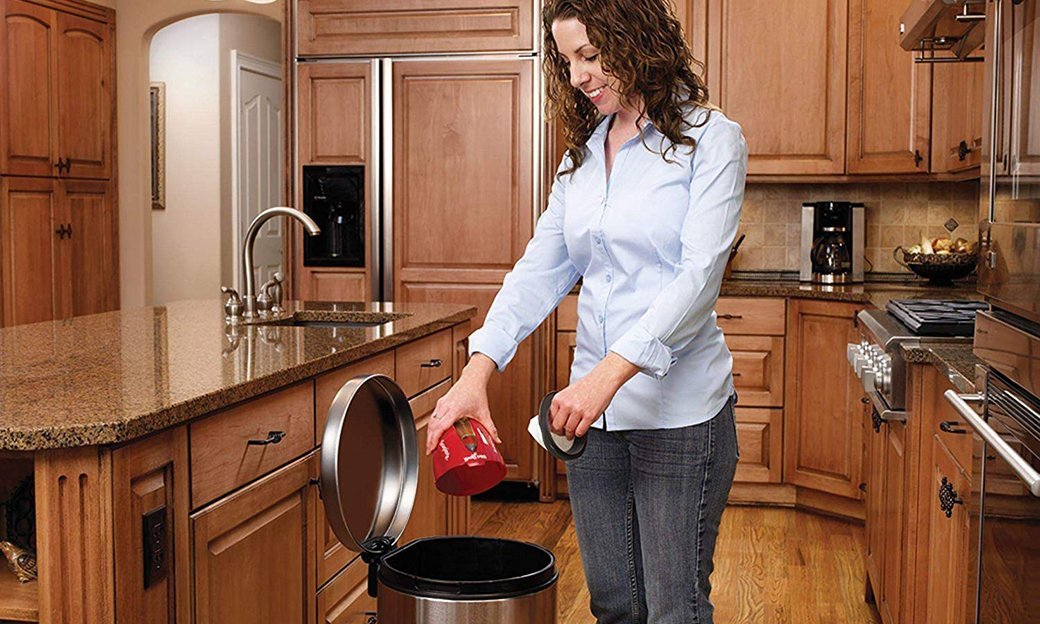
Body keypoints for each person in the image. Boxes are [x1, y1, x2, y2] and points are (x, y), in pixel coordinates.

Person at [425, 0, 747, 621]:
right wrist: (475, 374)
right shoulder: (580, 158)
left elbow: (699, 277)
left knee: (672, 609)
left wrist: (606, 376)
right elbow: (538, 271)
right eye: (568, 59)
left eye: (591, 56)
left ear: (638, 42)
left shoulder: (712, 140)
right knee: (616, 604)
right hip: (589, 421)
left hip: (679, 415)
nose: (577, 76)